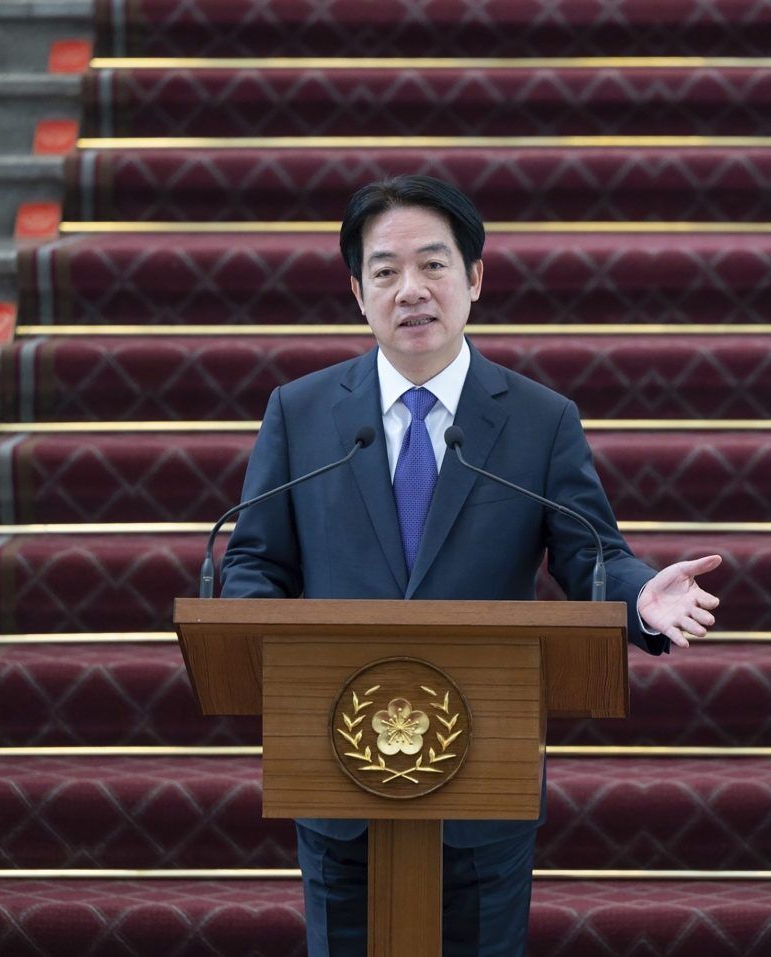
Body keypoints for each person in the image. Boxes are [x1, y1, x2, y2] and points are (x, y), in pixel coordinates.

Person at [220, 174, 721, 957]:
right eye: (386, 271)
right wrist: (254, 632)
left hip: (484, 779)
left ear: (475, 277)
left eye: (433, 265)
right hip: (339, 770)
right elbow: (256, 562)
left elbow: (591, 554)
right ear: (357, 291)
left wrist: (638, 601)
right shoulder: (302, 412)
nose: (411, 290)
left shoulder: (539, 420)